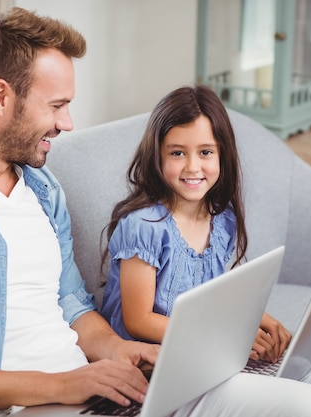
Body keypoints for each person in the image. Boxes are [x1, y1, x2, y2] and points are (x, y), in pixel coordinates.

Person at [0, 7, 311, 417]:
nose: (67, 123)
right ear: (1, 96)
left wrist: (124, 352)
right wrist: (64, 385)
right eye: (57, 106)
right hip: (21, 406)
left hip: (93, 392)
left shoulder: (42, 189)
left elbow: (72, 306)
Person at [100, 85, 290, 364]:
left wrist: (259, 318)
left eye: (205, 152)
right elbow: (138, 321)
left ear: (223, 155)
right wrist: (227, 334)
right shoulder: (144, 227)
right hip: (149, 362)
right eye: (177, 153)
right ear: (157, 156)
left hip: (201, 350)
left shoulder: (222, 220)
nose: (192, 167)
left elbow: (213, 296)